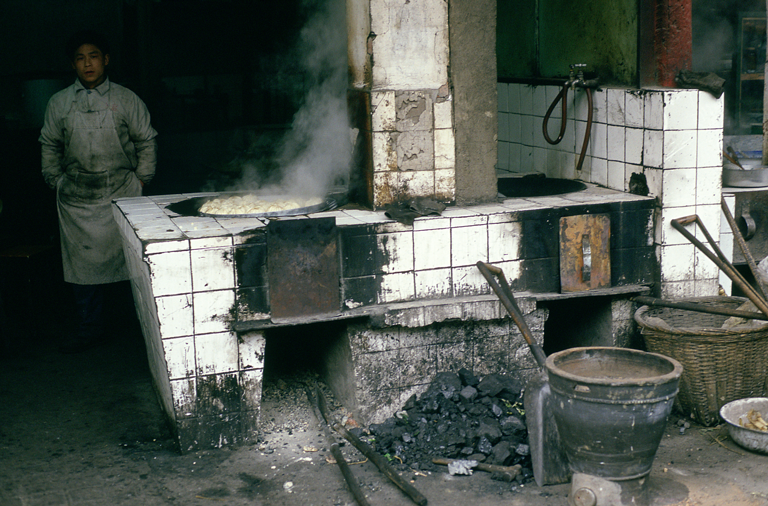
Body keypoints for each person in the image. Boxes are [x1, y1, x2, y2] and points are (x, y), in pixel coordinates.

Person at [39, 30, 158, 353]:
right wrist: (55, 180)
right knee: (83, 270)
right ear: (73, 65)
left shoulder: (126, 99)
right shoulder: (59, 103)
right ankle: (90, 329)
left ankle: (141, 328)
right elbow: (49, 144)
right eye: (80, 58)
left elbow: (146, 141)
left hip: (123, 195)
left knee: (133, 264)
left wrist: (142, 180)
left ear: (105, 60)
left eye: (93, 56)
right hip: (77, 200)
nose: (87, 63)